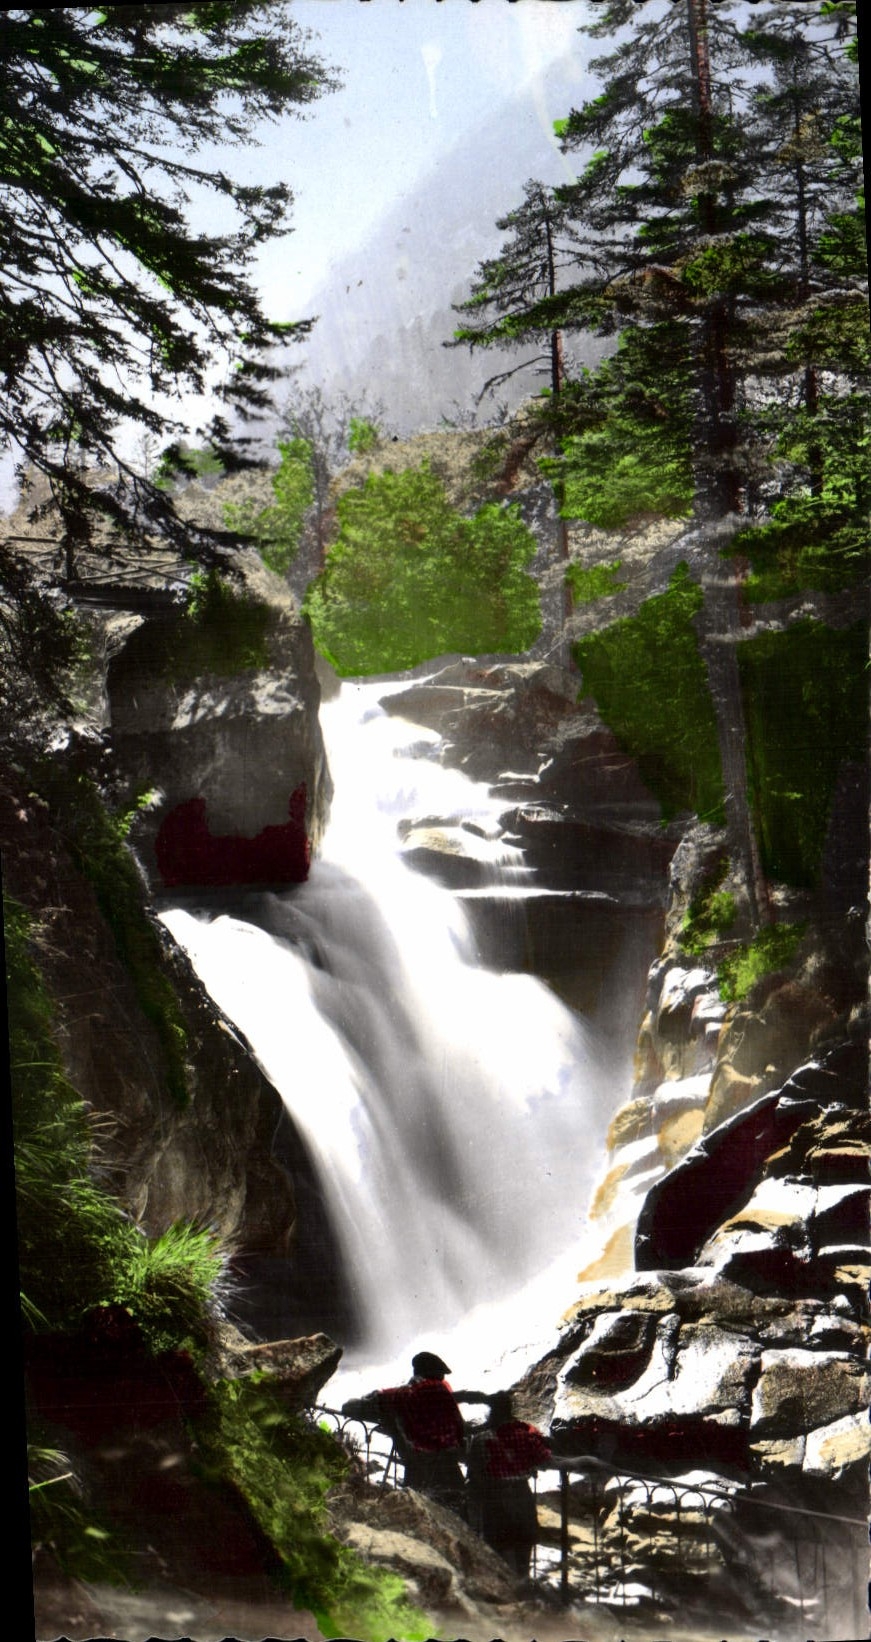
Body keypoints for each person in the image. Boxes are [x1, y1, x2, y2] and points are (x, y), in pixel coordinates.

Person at [342, 1350, 467, 1515]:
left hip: (418, 1469)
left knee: (420, 1512)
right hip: (450, 1469)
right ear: (438, 1376)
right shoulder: (445, 1395)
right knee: (458, 1512)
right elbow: (460, 1429)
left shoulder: (399, 1395)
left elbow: (350, 1408)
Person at [465, 1391, 551, 1579]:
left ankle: (505, 1590)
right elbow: (545, 1460)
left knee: (500, 1547)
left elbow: (474, 1474)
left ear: (491, 1412)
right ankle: (524, 1585)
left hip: (495, 1498)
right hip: (521, 1494)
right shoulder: (525, 1436)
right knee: (523, 1544)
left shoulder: (481, 1439)